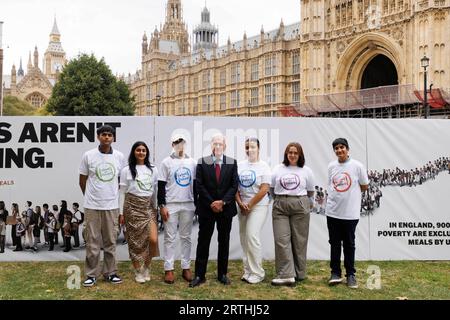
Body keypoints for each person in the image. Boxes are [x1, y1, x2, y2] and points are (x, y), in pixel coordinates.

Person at [190, 133, 239, 287]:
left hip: (225, 209)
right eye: (215, 143)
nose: (217, 146)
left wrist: (222, 202)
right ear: (211, 146)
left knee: (224, 242)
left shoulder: (232, 162)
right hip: (207, 208)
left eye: (220, 143)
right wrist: (212, 202)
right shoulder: (202, 162)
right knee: (203, 242)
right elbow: (199, 185)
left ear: (225, 146)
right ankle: (199, 275)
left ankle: (222, 274)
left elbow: (234, 185)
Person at [79, 124, 125, 287]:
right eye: (103, 134)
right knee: (92, 241)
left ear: (113, 138)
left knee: (111, 241)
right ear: (98, 137)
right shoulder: (88, 155)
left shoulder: (119, 156)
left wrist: (114, 201)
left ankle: (110, 273)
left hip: (111, 206)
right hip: (92, 206)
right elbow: (82, 180)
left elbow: (121, 183)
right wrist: (92, 197)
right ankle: (91, 274)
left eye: (109, 135)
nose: (107, 137)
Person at [326, 138, 369, 289]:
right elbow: (331, 186)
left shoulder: (357, 166)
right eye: (336, 148)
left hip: (350, 214)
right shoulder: (331, 166)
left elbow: (364, 186)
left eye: (342, 147)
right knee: (334, 244)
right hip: (332, 212)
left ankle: (350, 274)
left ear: (347, 149)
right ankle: (335, 273)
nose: (339, 150)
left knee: (349, 245)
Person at [270, 142, 315, 286]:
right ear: (286, 154)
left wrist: (307, 204)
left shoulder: (306, 170)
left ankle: (300, 273)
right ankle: (286, 275)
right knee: (281, 239)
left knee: (299, 241)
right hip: (280, 206)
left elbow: (311, 191)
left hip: (300, 205)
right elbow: (271, 188)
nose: (293, 155)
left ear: (300, 155)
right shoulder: (278, 169)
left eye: (296, 153)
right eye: (290, 152)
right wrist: (279, 200)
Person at [158, 133, 197, 284]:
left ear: (185, 144)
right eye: (176, 142)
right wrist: (162, 206)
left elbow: (196, 185)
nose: (179, 145)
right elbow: (161, 185)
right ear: (172, 145)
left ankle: (186, 267)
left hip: (188, 203)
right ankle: (169, 269)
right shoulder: (166, 162)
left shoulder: (192, 162)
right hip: (171, 205)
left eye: (182, 142)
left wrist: (197, 204)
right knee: (169, 237)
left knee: (186, 237)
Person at [119, 141, 159, 284]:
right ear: (133, 152)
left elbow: (155, 191)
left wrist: (155, 207)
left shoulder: (153, 169)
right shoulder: (126, 170)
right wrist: (121, 213)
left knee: (153, 240)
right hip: (131, 207)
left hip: (148, 207)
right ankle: (138, 271)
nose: (141, 152)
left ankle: (147, 267)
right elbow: (122, 192)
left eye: (143, 150)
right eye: (138, 150)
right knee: (135, 243)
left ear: (146, 152)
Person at [235, 138, 271, 284]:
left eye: (253, 147)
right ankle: (248, 271)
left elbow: (264, 189)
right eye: (247, 147)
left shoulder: (264, 166)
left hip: (258, 206)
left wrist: (249, 204)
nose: (250, 150)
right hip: (242, 206)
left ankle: (258, 272)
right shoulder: (239, 165)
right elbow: (234, 187)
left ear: (258, 149)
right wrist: (240, 203)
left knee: (252, 236)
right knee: (244, 238)